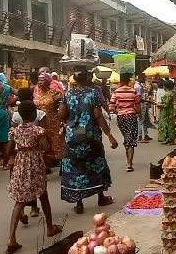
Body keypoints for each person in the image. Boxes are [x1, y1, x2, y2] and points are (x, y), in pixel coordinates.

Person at [59, 66, 118, 214]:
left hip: (73, 136)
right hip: (91, 136)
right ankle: (101, 197)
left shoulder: (67, 94)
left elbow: (61, 115)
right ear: (87, 79)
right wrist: (110, 136)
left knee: (75, 167)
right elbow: (98, 116)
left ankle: (79, 204)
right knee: (96, 165)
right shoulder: (93, 94)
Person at [4, 100, 61, 253]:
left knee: (20, 201)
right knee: (43, 194)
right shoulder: (38, 130)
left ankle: (11, 238)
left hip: (20, 164)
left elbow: (8, 150)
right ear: (34, 113)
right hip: (35, 163)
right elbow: (46, 147)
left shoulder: (14, 131)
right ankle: (49, 227)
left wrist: (11, 157)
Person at [109, 73, 141, 172]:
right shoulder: (133, 91)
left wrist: (117, 111)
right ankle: (129, 163)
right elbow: (138, 104)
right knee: (130, 139)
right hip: (131, 116)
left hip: (121, 117)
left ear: (120, 81)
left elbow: (111, 106)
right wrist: (138, 114)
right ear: (128, 81)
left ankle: (128, 160)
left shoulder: (116, 92)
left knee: (127, 137)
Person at [33, 72, 64, 168]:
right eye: (39, 80)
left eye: (42, 80)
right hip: (40, 120)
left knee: (55, 141)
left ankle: (60, 161)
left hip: (52, 120)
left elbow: (61, 105)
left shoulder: (55, 92)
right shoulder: (36, 92)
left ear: (48, 81)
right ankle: (46, 162)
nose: (40, 82)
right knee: (43, 140)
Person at [156, 79, 176, 145]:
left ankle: (171, 140)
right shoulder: (170, 93)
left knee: (169, 126)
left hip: (167, 112)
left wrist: (159, 105)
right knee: (166, 125)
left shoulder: (169, 94)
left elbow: (166, 104)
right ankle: (167, 139)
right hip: (166, 112)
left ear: (166, 86)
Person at [134, 75, 152, 143]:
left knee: (144, 121)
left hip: (142, 105)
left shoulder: (138, 85)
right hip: (141, 105)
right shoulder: (138, 87)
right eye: (144, 78)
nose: (145, 80)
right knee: (141, 121)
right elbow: (138, 98)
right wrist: (147, 101)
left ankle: (145, 135)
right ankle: (140, 137)